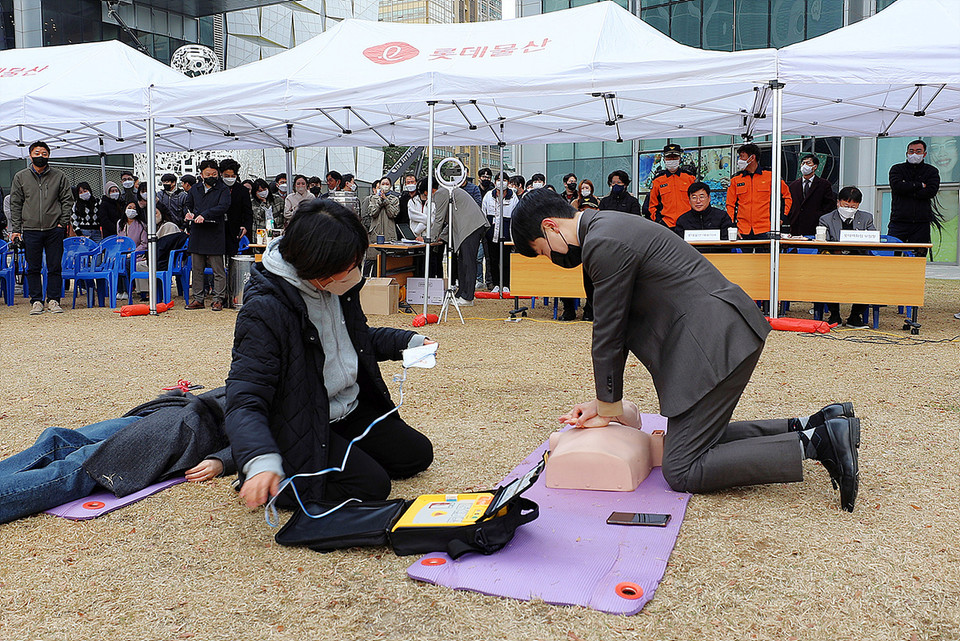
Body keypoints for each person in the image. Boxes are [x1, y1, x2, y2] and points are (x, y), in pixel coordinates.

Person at [510, 188, 861, 512]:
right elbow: (615, 330)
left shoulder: (603, 241)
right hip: (716, 331)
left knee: (682, 468)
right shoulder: (607, 227)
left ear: (550, 226)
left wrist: (608, 405)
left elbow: (608, 332)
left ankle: (817, 443)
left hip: (712, 338)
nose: (552, 257)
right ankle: (814, 425)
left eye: (543, 249)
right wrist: (605, 404)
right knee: (696, 437)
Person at [225, 199, 435, 509]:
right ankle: (266, 473)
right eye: (348, 267)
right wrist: (258, 458)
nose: (355, 272)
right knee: (372, 486)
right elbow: (245, 394)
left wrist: (408, 341)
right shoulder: (265, 309)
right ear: (316, 265)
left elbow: (357, 339)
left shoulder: (337, 286)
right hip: (303, 417)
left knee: (417, 455)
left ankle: (334, 452)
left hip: (347, 407)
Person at [0, 389, 236, 525]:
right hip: (175, 409)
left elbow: (269, 441)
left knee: (83, 467)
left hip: (189, 429)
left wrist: (223, 460)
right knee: (58, 441)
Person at [9, 141, 74, 315]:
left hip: (54, 229)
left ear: (49, 156)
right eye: (37, 153)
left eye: (44, 153)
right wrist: (16, 229)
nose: (40, 156)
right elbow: (16, 204)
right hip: (30, 229)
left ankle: (54, 300)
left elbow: (67, 200)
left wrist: (62, 222)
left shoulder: (59, 176)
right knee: (33, 267)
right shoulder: (20, 177)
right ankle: (36, 301)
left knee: (54, 266)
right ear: (30, 155)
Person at [818, 186, 877, 329]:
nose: (849, 208)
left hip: (859, 261)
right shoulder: (826, 219)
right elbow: (822, 244)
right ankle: (834, 315)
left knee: (868, 278)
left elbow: (873, 238)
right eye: (846, 205)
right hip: (835, 262)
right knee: (829, 277)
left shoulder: (866, 217)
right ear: (838, 203)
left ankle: (855, 317)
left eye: (853, 206)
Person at [433, 178, 489, 306]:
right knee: (462, 261)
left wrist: (430, 238)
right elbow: (451, 219)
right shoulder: (449, 191)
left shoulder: (441, 193)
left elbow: (439, 219)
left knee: (468, 262)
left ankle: (468, 297)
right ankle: (462, 293)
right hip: (471, 226)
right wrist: (441, 236)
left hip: (470, 227)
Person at [184, 158, 231, 311]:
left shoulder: (223, 189)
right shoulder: (195, 189)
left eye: (214, 173)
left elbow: (223, 206)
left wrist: (205, 214)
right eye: (208, 173)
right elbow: (187, 204)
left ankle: (218, 299)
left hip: (214, 231)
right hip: (197, 232)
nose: (211, 176)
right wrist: (188, 214)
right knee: (197, 269)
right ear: (201, 175)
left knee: (218, 270)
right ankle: (198, 298)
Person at [726, 143, 792, 240]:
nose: (739, 160)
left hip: (767, 228)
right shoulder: (736, 179)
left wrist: (782, 218)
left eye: (742, 157)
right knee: (743, 255)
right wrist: (732, 226)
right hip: (742, 229)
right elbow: (730, 205)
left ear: (752, 158)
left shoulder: (771, 176)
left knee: (765, 255)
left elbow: (786, 197)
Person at [888, 139, 940, 257]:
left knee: (918, 256)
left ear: (924, 154)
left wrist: (907, 188)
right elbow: (897, 187)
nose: (914, 154)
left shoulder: (931, 171)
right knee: (891, 254)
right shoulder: (897, 169)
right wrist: (919, 185)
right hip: (898, 221)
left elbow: (931, 191)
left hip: (921, 223)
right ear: (907, 153)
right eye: (911, 151)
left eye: (918, 151)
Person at [481, 171, 518, 294]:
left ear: (507, 182)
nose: (501, 182)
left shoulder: (513, 197)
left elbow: (516, 215)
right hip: (492, 233)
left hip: (507, 233)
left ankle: (506, 284)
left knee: (506, 260)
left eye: (504, 180)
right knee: (493, 259)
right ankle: (496, 283)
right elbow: (484, 213)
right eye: (498, 179)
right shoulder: (488, 195)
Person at [647, 144, 697, 227]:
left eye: (675, 157)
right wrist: (658, 220)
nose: (672, 160)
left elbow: (696, 200)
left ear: (680, 159)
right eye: (669, 157)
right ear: (664, 159)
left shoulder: (689, 178)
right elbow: (652, 205)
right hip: (666, 224)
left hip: (688, 223)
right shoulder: (658, 180)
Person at [786, 154, 836, 237]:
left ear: (815, 166)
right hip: (796, 226)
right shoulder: (793, 185)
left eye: (808, 163)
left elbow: (829, 205)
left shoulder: (824, 184)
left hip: (815, 226)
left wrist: (819, 217)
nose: (804, 165)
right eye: (803, 163)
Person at [361, 176, 400, 276]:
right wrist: (380, 201)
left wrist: (386, 201)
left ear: (390, 186)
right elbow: (372, 213)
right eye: (383, 184)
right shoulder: (373, 198)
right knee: (371, 259)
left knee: (387, 261)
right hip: (375, 233)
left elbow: (393, 214)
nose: (385, 186)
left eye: (387, 184)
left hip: (389, 233)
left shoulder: (394, 199)